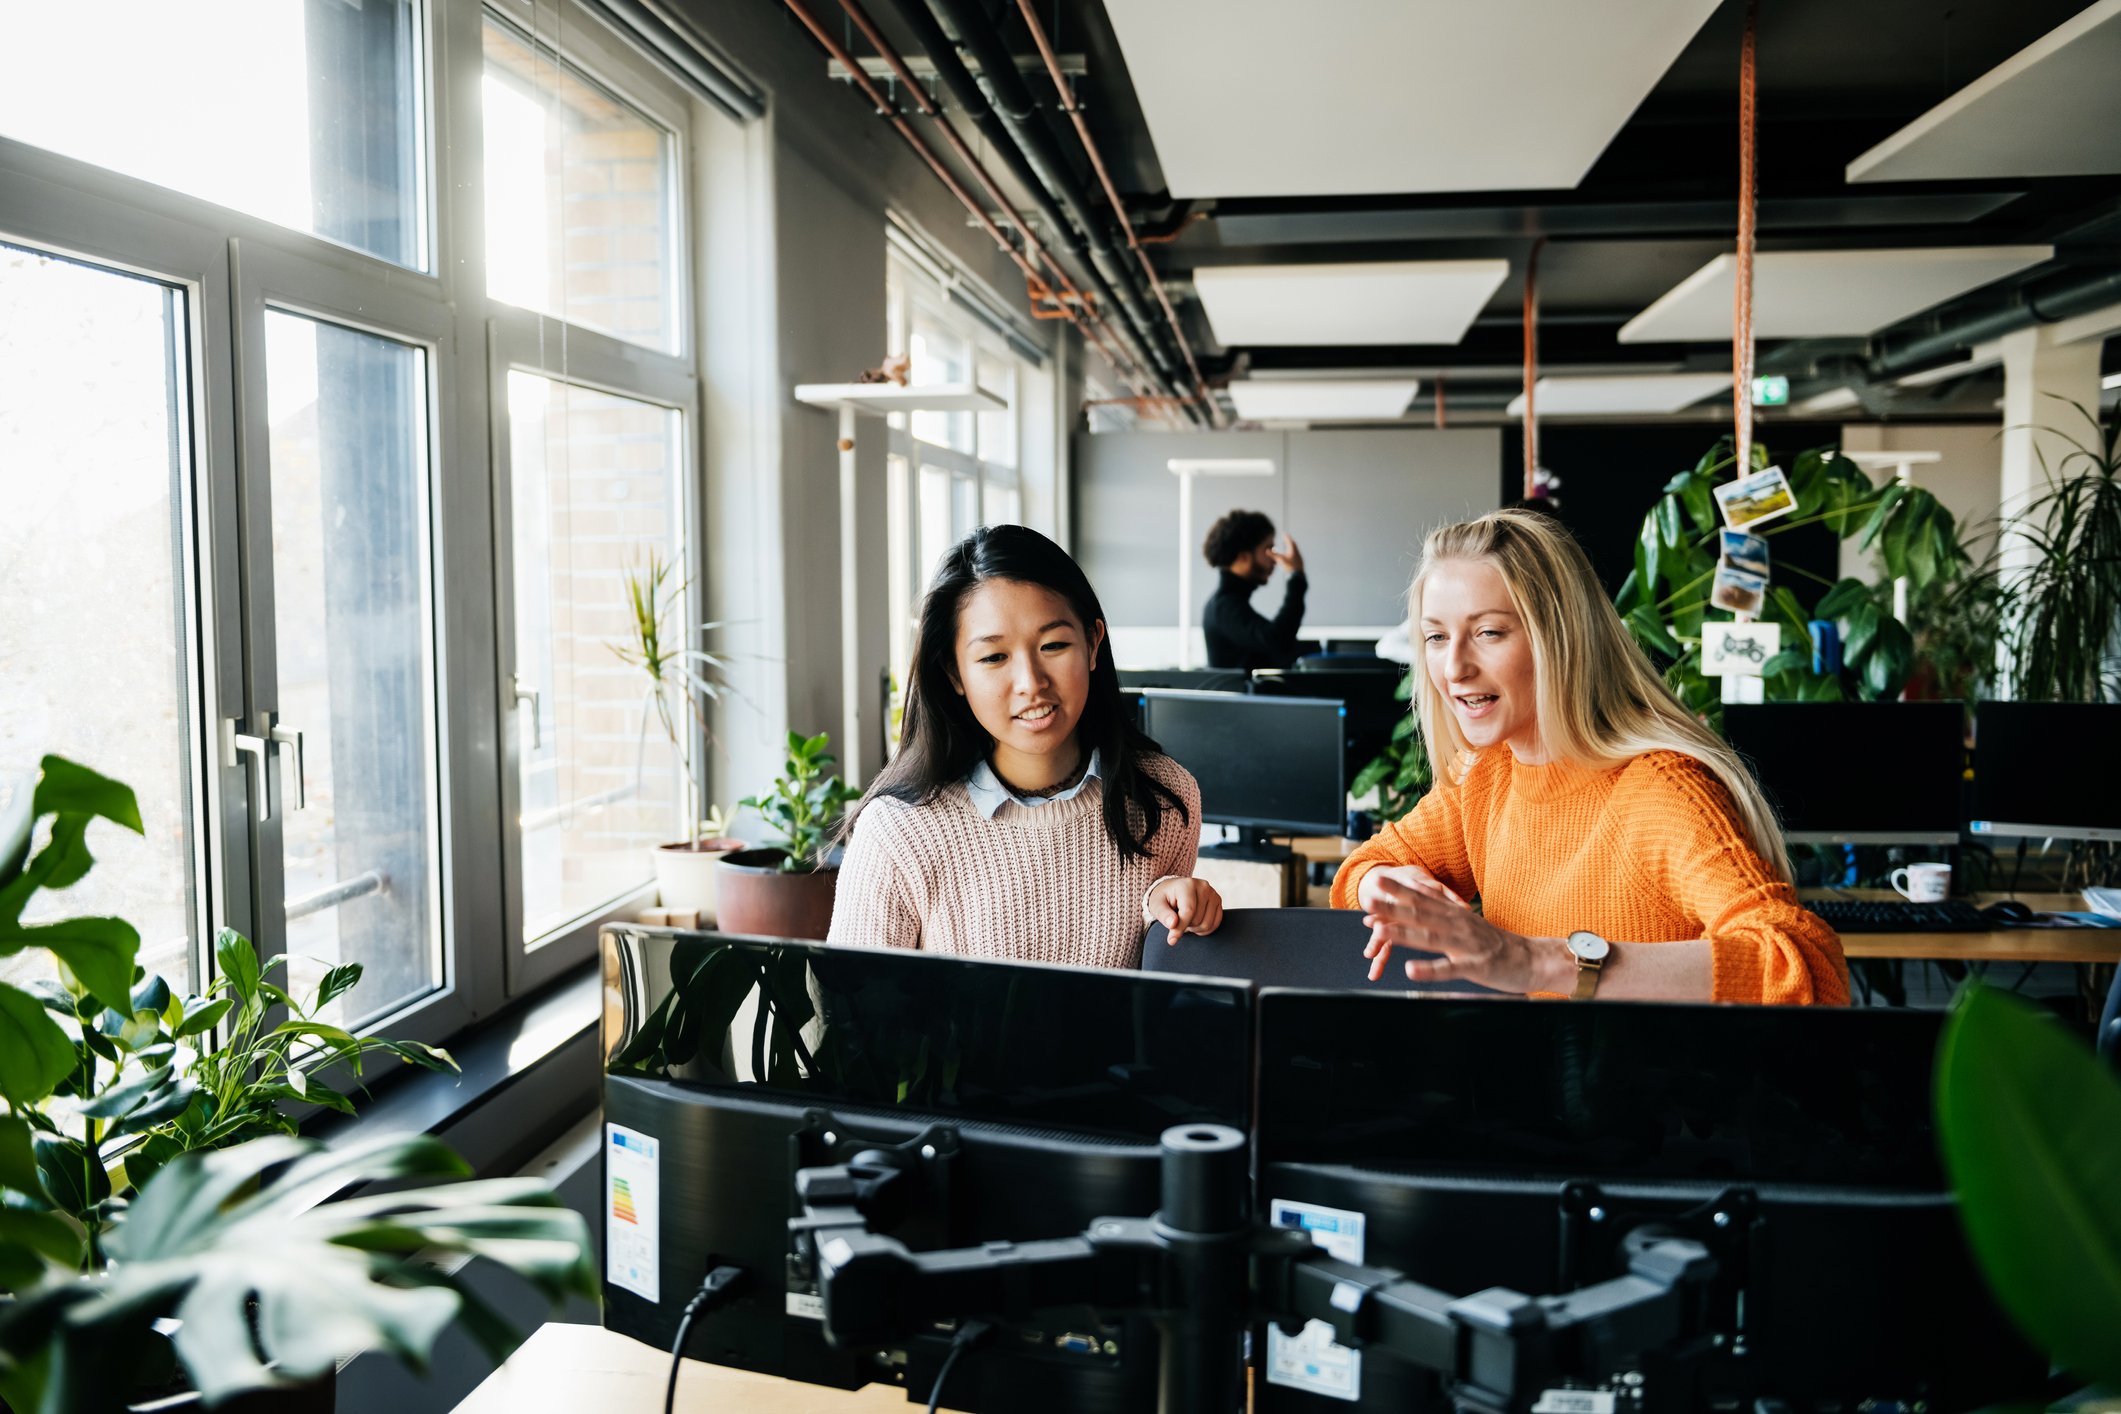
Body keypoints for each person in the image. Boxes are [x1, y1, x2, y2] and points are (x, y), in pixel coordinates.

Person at [1330, 508, 1846, 1005]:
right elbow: (1361, 869)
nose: (1455, 667)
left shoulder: (1659, 789)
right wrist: (1390, 885)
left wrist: (1541, 962)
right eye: (1437, 637)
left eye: (1488, 632)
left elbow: (1802, 964)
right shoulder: (1487, 776)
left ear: (1559, 638)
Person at [830, 525, 1225, 967]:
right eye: (994, 657)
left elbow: (1148, 976)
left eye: (1053, 645)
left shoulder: (1162, 797)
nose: (1031, 683)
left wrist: (1175, 908)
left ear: (1093, 644)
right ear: (955, 674)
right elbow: (853, 1014)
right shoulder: (899, 832)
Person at [1201, 509, 1307, 671]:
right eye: (1268, 549)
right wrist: (1296, 577)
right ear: (1243, 557)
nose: (1274, 559)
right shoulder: (1224, 607)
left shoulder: (1225, 602)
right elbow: (1277, 641)